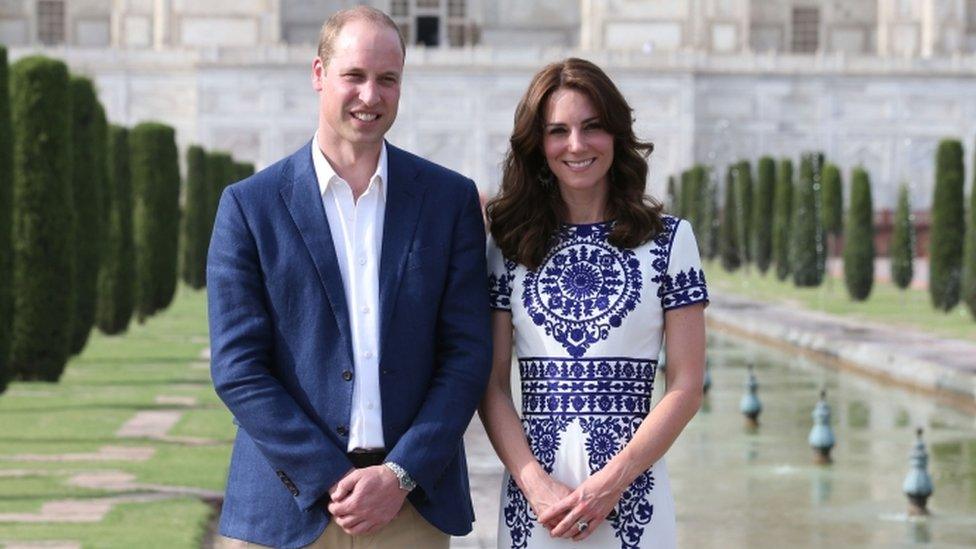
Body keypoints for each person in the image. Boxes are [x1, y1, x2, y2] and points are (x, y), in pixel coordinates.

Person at [207, 6, 491, 548]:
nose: (371, 95)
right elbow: (238, 367)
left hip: (409, 509)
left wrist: (399, 474)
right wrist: (331, 479)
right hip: (286, 507)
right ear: (319, 75)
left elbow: (466, 355)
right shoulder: (250, 206)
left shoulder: (448, 200)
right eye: (354, 76)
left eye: (388, 79)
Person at [479, 58, 708, 549]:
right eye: (557, 131)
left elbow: (686, 387)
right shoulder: (510, 245)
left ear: (616, 135)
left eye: (592, 127)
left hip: (632, 501)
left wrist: (609, 486)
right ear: (538, 147)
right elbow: (493, 386)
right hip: (537, 505)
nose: (576, 145)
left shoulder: (668, 242)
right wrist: (537, 488)